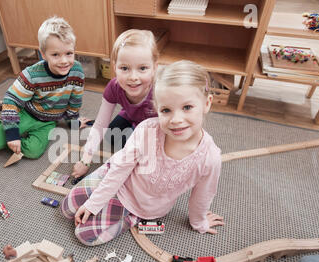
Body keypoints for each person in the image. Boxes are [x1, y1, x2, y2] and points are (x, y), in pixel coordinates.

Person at [61, 60, 224, 246]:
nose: (176, 120)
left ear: (206, 103)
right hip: (117, 176)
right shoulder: (147, 129)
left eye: (187, 107)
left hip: (142, 207)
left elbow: (202, 196)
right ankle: (101, 188)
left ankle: (131, 218)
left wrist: (199, 223)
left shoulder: (210, 158)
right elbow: (121, 169)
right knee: (67, 208)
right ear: (157, 109)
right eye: (166, 110)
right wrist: (94, 204)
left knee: (85, 235)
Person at [0, 16, 84, 159]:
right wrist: (11, 135)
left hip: (48, 122)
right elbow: (10, 101)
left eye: (69, 53)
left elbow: (75, 100)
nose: (64, 61)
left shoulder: (77, 71)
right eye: (55, 55)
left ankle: (5, 127)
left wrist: (73, 122)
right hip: (27, 114)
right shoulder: (31, 75)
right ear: (43, 54)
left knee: (33, 152)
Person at [71, 29, 159, 178]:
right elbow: (100, 125)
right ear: (115, 67)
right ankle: (133, 128)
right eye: (124, 68)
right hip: (130, 116)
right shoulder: (114, 86)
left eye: (142, 68)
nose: (133, 77)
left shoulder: (161, 90)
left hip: (155, 127)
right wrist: (86, 159)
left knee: (141, 153)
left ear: (154, 68)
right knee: (111, 135)